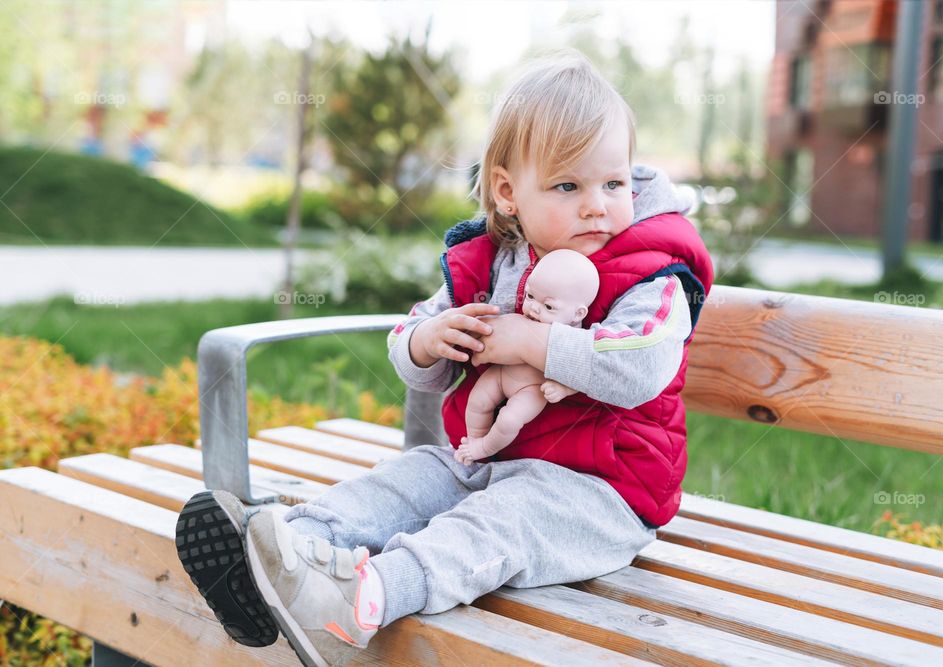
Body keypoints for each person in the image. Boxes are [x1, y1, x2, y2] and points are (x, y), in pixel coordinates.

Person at [176, 48, 714, 667]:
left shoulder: (652, 270)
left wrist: (526, 341)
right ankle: (282, 552)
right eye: (568, 186)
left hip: (601, 491)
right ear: (508, 192)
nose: (597, 204)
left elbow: (640, 368)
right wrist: (427, 341)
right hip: (483, 459)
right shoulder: (492, 259)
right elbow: (413, 342)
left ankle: (358, 603)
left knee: (497, 524)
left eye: (613, 184)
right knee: (406, 482)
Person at [454, 248, 599, 465]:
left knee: (509, 420)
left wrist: (563, 388)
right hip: (501, 373)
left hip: (533, 388)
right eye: (530, 296)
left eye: (548, 306)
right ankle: (473, 441)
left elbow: (582, 369)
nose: (533, 308)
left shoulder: (575, 338)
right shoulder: (525, 317)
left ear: (578, 314)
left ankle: (483, 448)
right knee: (477, 400)